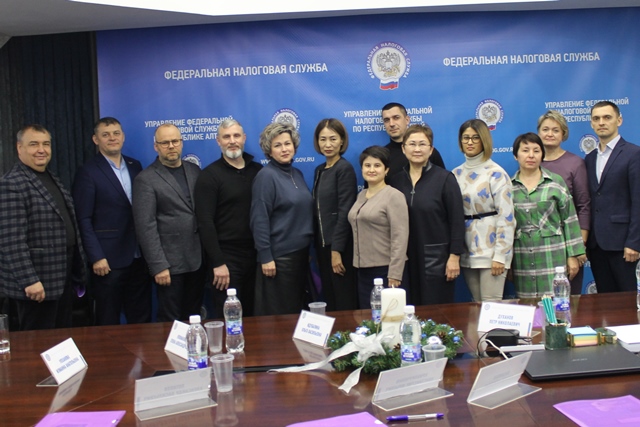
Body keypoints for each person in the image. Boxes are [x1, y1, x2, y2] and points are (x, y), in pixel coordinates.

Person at [0, 125, 87, 330]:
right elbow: (11, 240)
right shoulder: (12, 184)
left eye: (46, 144)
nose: (41, 150)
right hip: (36, 285)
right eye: (34, 144)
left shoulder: (52, 177)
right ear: (19, 148)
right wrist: (29, 280)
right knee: (37, 343)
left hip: (60, 277)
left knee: (60, 340)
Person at [73, 117, 151, 325]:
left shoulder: (135, 166)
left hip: (138, 257)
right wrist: (96, 257)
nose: (112, 138)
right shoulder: (88, 172)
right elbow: (83, 219)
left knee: (141, 317)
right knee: (108, 319)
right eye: (105, 135)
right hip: (108, 261)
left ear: (123, 137)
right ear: (95, 139)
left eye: (116, 133)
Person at [133, 124, 204, 322]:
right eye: (165, 143)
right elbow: (145, 226)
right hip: (169, 264)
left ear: (181, 143)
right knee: (171, 321)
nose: (171, 146)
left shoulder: (194, 170)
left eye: (175, 141)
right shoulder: (145, 179)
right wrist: (158, 266)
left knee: (194, 317)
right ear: (156, 146)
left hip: (197, 261)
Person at [390, 125, 465, 305]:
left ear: (431, 150)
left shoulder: (445, 179)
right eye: (412, 144)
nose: (417, 149)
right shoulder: (395, 181)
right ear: (403, 149)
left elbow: (457, 220)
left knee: (436, 312)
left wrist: (454, 256)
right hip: (405, 259)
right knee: (407, 309)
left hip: (437, 259)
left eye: (422, 144)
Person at [194, 119, 262, 317]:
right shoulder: (209, 176)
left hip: (257, 257)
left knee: (255, 316)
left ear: (244, 138)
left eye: (236, 136)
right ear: (218, 141)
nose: (232, 141)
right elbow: (205, 222)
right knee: (230, 319)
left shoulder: (258, 171)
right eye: (226, 137)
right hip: (226, 259)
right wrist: (218, 262)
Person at [510, 133, 585, 298]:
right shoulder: (509, 187)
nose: (531, 155)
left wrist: (573, 255)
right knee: (528, 307)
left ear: (542, 155)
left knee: (557, 305)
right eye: (525, 150)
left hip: (553, 258)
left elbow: (570, 219)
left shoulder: (555, 183)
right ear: (516, 155)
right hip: (522, 260)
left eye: (536, 151)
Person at [250, 123, 313, 315]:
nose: (284, 149)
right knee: (281, 318)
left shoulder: (297, 173)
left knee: (297, 313)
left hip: (300, 257)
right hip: (278, 261)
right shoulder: (266, 176)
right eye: (277, 145)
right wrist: (266, 257)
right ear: (269, 150)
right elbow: (259, 219)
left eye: (287, 143)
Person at [452, 119, 515, 302]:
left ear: (484, 140)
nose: (470, 142)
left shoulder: (496, 173)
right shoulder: (455, 174)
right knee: (477, 306)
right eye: (466, 138)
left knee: (491, 306)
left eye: (475, 138)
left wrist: (501, 255)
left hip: (492, 251)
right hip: (468, 251)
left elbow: (507, 217)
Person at [585, 101, 640, 293]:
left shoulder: (634, 154)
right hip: (597, 246)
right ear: (591, 123)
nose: (601, 122)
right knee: (605, 301)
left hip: (624, 246)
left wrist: (634, 243)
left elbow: (638, 201)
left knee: (628, 301)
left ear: (619, 120)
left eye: (607, 117)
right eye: (596, 118)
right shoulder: (590, 158)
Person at [348, 145, 409, 308]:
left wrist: (395, 273)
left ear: (386, 170)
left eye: (377, 165)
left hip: (386, 270)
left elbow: (400, 237)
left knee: (388, 318)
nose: (371, 170)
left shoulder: (394, 196)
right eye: (367, 165)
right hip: (362, 270)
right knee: (368, 318)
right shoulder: (361, 195)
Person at [538, 110, 590, 294]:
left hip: (569, 242)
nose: (550, 134)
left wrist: (578, 247)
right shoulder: (531, 161)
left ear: (563, 134)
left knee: (568, 299)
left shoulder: (575, 163)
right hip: (539, 245)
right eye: (545, 129)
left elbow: (584, 206)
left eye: (555, 130)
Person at [311, 119, 358, 311]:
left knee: (343, 298)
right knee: (330, 298)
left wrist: (337, 250)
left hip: (340, 247)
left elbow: (345, 210)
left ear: (342, 141)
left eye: (333, 139)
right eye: (323, 139)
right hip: (322, 247)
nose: (328, 144)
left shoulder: (344, 169)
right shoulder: (319, 170)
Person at [381, 102, 445, 177]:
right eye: (386, 120)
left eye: (396, 118)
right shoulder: (382, 155)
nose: (391, 124)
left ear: (407, 120)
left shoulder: (427, 151)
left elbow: (442, 179)